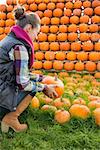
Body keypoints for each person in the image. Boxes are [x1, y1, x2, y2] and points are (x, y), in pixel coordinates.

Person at [0, 7, 57, 133]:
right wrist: (43, 87)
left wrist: (41, 78)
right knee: (33, 89)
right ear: (29, 28)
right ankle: (10, 119)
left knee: (35, 84)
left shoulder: (8, 40)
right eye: (37, 32)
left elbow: (14, 73)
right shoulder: (20, 47)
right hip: (1, 96)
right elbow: (23, 83)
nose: (36, 37)